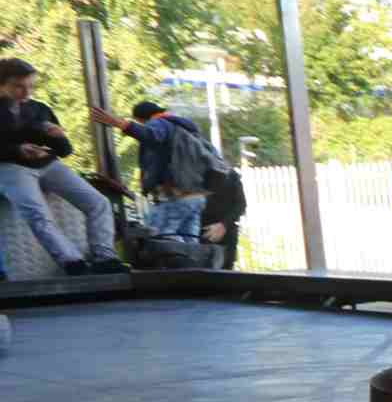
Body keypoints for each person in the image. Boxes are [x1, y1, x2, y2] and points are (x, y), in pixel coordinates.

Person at [0, 58, 126, 275]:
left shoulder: (40, 108)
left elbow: (65, 150)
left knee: (99, 202)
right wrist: (18, 150)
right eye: (19, 86)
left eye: (31, 86)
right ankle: (71, 261)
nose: (26, 92)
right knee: (37, 214)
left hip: (47, 164)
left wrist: (57, 137)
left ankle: (105, 257)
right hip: (10, 167)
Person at [87, 100, 228, 243]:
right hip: (196, 198)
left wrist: (122, 124)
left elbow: (152, 135)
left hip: (175, 197)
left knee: (160, 239)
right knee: (190, 243)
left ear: (141, 119)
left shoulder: (159, 123)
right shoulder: (184, 129)